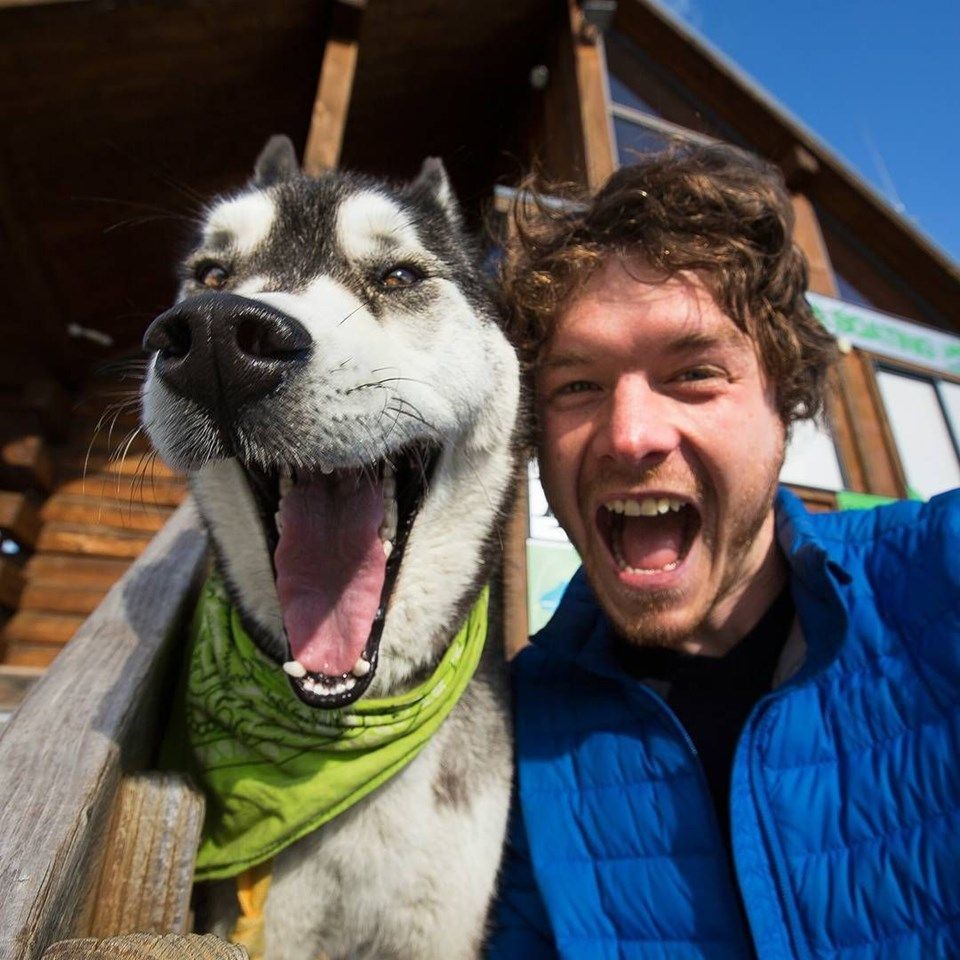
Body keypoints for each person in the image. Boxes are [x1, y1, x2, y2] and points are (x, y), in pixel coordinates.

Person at [487, 144, 960, 959]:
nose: (629, 435)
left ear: (785, 402)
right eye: (577, 386)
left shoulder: (937, 578)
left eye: (695, 373)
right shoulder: (518, 727)